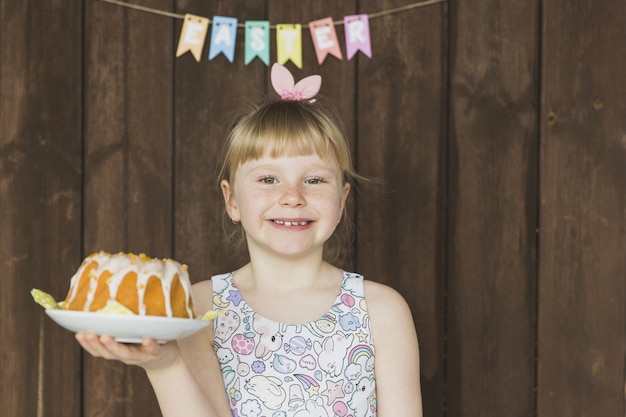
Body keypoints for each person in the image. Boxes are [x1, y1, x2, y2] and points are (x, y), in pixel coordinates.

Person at [76, 63, 423, 417]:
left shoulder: (381, 311)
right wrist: (165, 365)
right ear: (232, 200)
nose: (292, 196)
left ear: (342, 201)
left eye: (315, 181)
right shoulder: (197, 308)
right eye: (268, 179)